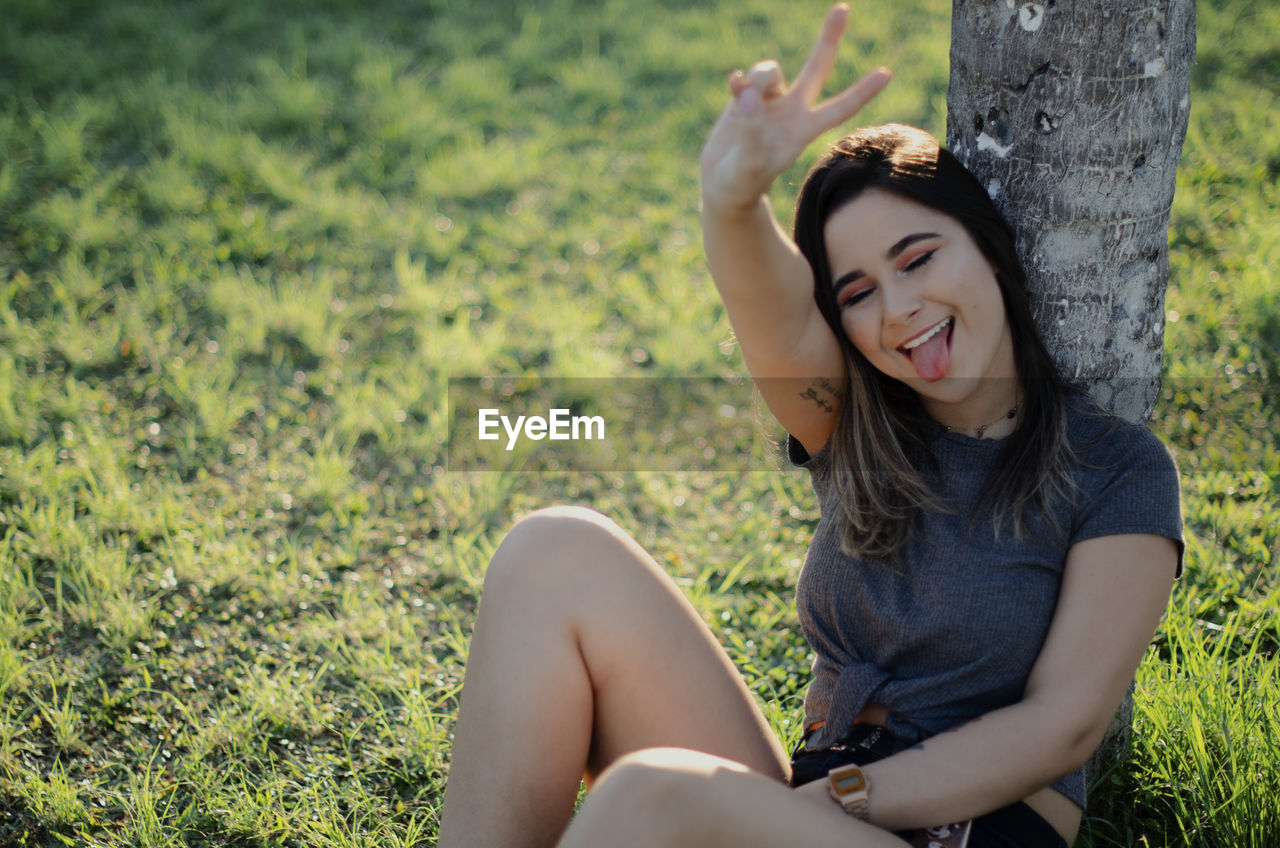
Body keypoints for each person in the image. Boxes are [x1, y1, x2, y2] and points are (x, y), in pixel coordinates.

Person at [437, 5, 1182, 847]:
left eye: (918, 258)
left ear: (988, 251)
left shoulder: (1116, 469)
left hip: (961, 830)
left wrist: (827, 804)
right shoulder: (862, 427)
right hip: (812, 811)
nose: (899, 311)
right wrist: (732, 197)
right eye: (858, 293)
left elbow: (1063, 728)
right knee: (554, 550)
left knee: (653, 799)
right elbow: (776, 315)